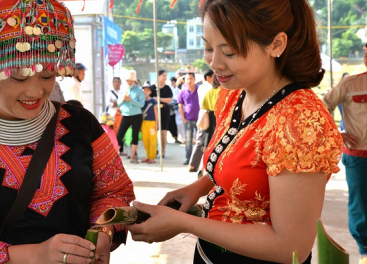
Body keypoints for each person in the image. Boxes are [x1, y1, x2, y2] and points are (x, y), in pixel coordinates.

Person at [125, 0, 343, 263]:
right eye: (208, 48)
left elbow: (290, 247)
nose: (214, 64)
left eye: (228, 52)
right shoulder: (235, 94)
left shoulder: (300, 121)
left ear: (276, 45)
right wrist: (199, 186)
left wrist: (184, 223)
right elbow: (243, 160)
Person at [0, 1, 135, 263]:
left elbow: (114, 192)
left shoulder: (80, 122)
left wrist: (103, 230)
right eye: (20, 78)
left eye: (47, 76)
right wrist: (37, 254)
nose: (36, 92)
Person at [323, 46, 367, 264]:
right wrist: (336, 133)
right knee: (360, 205)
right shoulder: (351, 84)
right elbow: (323, 105)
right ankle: (364, 250)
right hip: (359, 156)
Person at [116, 69, 145, 164]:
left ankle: (133, 156)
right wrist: (124, 99)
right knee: (119, 135)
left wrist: (130, 100)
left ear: (134, 81)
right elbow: (118, 103)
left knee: (135, 136)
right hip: (126, 115)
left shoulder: (139, 90)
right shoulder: (123, 90)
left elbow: (141, 104)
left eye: (130, 80)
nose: (128, 82)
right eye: (127, 80)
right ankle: (114, 156)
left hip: (136, 115)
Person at [189, 69, 215, 172]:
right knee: (204, 141)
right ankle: (199, 166)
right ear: (208, 77)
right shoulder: (209, 88)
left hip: (204, 114)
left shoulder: (201, 87)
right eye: (214, 77)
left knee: (201, 141)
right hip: (207, 115)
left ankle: (194, 164)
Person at [150, 70, 173, 158]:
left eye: (166, 75)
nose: (165, 77)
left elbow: (170, 99)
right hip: (154, 111)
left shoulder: (167, 88)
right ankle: (154, 149)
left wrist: (159, 99)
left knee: (163, 132)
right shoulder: (152, 88)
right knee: (154, 132)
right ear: (158, 76)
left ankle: (163, 151)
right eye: (163, 75)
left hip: (164, 110)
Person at [178, 73, 200, 165]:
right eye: (187, 79)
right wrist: (183, 118)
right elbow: (180, 105)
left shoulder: (200, 90)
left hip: (200, 120)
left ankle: (199, 159)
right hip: (188, 119)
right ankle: (188, 158)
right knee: (188, 140)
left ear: (194, 79)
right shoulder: (182, 92)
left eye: (190, 78)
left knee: (200, 141)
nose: (189, 81)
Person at [106, 77, 124, 154]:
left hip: (121, 113)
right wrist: (117, 103)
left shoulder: (123, 92)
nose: (117, 83)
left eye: (118, 82)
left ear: (120, 83)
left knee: (121, 131)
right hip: (112, 115)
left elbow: (124, 102)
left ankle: (121, 149)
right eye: (115, 82)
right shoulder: (109, 92)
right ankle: (113, 149)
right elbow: (108, 103)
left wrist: (115, 102)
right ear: (113, 83)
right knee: (112, 131)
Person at [140, 83, 158, 164]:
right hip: (144, 122)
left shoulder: (153, 101)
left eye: (147, 90)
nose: (145, 91)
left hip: (152, 122)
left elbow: (156, 112)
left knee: (152, 140)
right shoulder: (141, 101)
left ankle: (152, 157)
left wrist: (156, 123)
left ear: (150, 92)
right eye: (144, 90)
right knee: (145, 140)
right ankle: (147, 156)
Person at [168, 76, 180, 144]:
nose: (172, 83)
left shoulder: (178, 90)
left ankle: (176, 138)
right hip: (168, 108)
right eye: (171, 82)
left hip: (175, 109)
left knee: (174, 124)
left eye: (173, 82)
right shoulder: (169, 89)